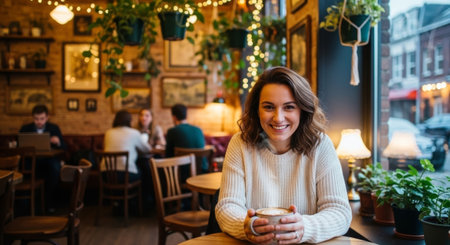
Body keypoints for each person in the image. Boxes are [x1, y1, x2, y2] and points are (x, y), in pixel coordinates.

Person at [215, 67, 351, 244]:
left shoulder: (321, 145)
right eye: (269, 107)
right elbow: (227, 206)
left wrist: (304, 227)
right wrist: (247, 226)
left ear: (302, 110)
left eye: (289, 107)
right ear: (257, 110)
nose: (278, 118)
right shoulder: (240, 144)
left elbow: (340, 212)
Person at [19, 104, 66, 213]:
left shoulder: (54, 128)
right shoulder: (25, 129)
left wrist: (58, 141)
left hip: (49, 161)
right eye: (36, 119)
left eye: (42, 119)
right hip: (31, 160)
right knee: (24, 165)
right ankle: (25, 205)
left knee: (55, 168)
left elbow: (64, 147)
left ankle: (49, 203)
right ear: (33, 117)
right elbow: (19, 146)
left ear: (47, 117)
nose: (39, 122)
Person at [103, 110, 151, 182]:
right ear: (130, 121)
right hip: (126, 174)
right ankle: (144, 193)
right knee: (144, 170)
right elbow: (147, 149)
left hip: (105, 174)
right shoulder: (134, 132)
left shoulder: (108, 133)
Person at [165, 104, 207, 173]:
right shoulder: (199, 130)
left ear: (174, 117)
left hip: (182, 174)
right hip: (202, 173)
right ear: (186, 116)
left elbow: (168, 156)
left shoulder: (172, 131)